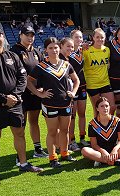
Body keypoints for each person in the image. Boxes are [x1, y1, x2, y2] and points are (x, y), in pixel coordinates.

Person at [0, 24, 43, 187]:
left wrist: (16, 96)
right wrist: (4, 98)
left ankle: (24, 164)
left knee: (19, 133)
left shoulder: (13, 56)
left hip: (15, 103)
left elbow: (22, 78)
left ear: (3, 37)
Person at [27, 37, 79, 168]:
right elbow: (29, 81)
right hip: (49, 104)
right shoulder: (41, 66)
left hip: (66, 103)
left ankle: (65, 153)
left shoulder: (66, 64)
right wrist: (39, 93)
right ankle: (52, 157)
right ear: (45, 50)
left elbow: (76, 80)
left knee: (65, 130)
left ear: (59, 48)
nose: (54, 50)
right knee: (52, 131)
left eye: (56, 47)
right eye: (50, 48)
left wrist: (73, 92)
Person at [10, 26, 47, 159]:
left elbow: (44, 71)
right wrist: (35, 91)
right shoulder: (14, 51)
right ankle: (20, 155)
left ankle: (37, 149)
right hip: (21, 94)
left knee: (34, 121)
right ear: (20, 35)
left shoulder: (37, 51)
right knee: (21, 125)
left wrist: (41, 87)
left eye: (32, 35)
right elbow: (20, 76)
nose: (30, 37)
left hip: (36, 93)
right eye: (27, 34)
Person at [82, 97, 120, 167]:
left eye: (107, 106)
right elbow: (94, 145)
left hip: (116, 151)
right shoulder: (92, 124)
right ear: (97, 109)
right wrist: (103, 151)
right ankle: (114, 161)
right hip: (100, 152)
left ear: (110, 107)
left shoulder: (117, 121)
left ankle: (101, 160)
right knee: (84, 150)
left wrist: (115, 149)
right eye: (102, 106)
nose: (105, 108)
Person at [83, 28, 116, 116]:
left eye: (102, 37)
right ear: (93, 38)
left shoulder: (107, 50)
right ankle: (97, 129)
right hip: (92, 84)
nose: (100, 39)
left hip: (105, 82)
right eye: (97, 37)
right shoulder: (86, 51)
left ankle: (109, 127)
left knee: (112, 107)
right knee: (97, 109)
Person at [69, 30, 90, 148]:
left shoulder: (83, 50)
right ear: (71, 38)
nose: (79, 39)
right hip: (71, 87)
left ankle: (82, 137)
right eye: (76, 37)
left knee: (82, 113)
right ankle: (71, 140)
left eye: (81, 37)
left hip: (82, 85)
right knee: (72, 115)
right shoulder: (67, 52)